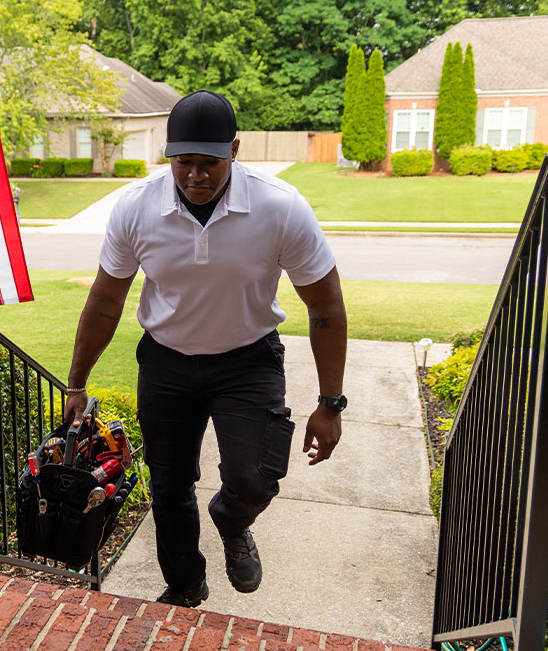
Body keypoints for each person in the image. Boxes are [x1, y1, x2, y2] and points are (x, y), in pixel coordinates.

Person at [63, 89, 347, 607]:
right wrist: (77, 382)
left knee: (255, 477)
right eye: (183, 162)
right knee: (170, 486)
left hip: (248, 359)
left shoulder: (280, 207)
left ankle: (232, 520)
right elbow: (106, 299)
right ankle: (185, 584)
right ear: (168, 155)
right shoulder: (136, 208)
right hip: (167, 361)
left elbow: (325, 305)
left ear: (235, 150)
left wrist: (330, 403)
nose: (195, 175)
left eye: (209, 163)